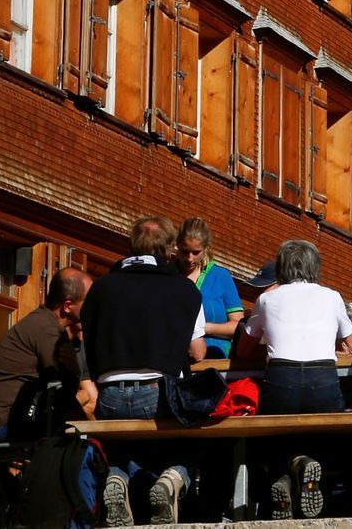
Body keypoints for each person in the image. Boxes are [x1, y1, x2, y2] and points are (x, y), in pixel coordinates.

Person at [81, 215, 206, 526]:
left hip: (110, 392)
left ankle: (115, 478)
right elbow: (197, 351)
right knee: (196, 439)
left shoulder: (101, 288)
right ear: (169, 249)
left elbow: (86, 339)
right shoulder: (186, 290)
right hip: (158, 390)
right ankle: (171, 479)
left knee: (120, 447)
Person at [232, 239, 352, 519]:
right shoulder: (332, 296)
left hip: (282, 376)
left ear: (281, 268)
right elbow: (350, 342)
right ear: (316, 266)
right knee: (327, 433)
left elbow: (243, 349)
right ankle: (307, 470)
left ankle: (283, 476)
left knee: (272, 434)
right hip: (323, 377)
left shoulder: (267, 298)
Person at [0, 267, 91, 439]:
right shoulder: (47, 329)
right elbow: (63, 390)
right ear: (67, 306)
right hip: (7, 423)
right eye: (89, 301)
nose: (94, 306)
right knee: (83, 443)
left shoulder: (44, 322)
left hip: (9, 419)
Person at [175, 217, 244, 358]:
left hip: (217, 358)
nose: (189, 258)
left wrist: (204, 328)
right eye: (184, 251)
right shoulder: (169, 274)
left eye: (196, 252)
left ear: (205, 249)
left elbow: (239, 325)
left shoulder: (220, 276)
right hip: (177, 358)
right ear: (177, 246)